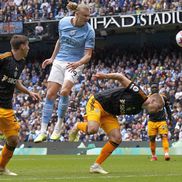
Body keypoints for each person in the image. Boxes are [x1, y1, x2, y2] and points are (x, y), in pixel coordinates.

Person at [69, 72, 168, 174]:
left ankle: (96, 165)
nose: (156, 111)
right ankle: (77, 126)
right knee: (93, 129)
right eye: (157, 108)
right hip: (98, 102)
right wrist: (105, 76)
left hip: (109, 113)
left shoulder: (138, 110)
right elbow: (120, 77)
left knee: (117, 138)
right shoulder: (139, 93)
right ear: (153, 101)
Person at [34, 2, 95, 143]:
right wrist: (52, 58)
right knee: (50, 94)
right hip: (59, 60)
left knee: (65, 91)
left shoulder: (89, 31)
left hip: (75, 63)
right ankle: (42, 131)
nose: (87, 18)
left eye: (89, 16)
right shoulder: (63, 22)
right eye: (85, 15)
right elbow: (60, 41)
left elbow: (88, 55)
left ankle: (58, 127)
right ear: (77, 14)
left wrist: (78, 64)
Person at [0, 35, 41, 176]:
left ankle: (1, 167)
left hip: (6, 106)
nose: (29, 48)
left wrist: (29, 92)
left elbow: (15, 82)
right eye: (28, 45)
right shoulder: (3, 58)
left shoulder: (21, 62)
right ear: (22, 46)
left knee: (13, 139)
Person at [147, 83, 172, 161]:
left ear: (158, 89)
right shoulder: (147, 98)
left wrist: (170, 118)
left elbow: (168, 109)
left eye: (155, 87)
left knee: (164, 136)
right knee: (152, 138)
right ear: (151, 89)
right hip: (151, 121)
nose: (154, 89)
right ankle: (154, 156)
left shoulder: (163, 97)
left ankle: (166, 154)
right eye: (152, 87)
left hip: (162, 121)